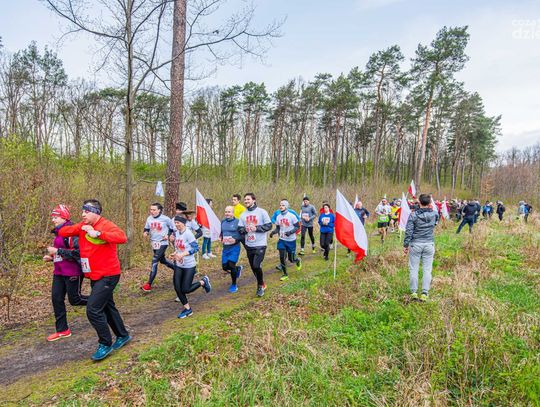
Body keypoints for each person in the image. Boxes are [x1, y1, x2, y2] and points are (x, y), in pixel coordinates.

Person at [58, 199, 131, 361]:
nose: (83, 214)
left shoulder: (105, 225)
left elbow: (122, 237)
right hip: (94, 275)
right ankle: (123, 335)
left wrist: (97, 233)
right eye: (82, 211)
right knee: (107, 307)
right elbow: (64, 232)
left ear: (96, 213)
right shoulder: (83, 226)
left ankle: (105, 343)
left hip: (108, 275)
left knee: (93, 309)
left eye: (86, 212)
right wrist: (67, 225)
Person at [43, 204, 88, 342]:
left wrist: (57, 251)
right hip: (59, 272)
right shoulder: (58, 232)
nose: (53, 220)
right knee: (56, 299)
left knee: (75, 300)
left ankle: (101, 301)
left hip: (72, 271)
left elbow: (78, 253)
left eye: (56, 217)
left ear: (64, 217)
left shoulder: (72, 232)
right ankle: (62, 330)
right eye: (52, 217)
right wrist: (52, 258)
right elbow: (62, 253)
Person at [169, 216, 211, 318]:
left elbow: (196, 248)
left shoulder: (188, 233)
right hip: (179, 264)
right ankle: (188, 309)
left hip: (189, 265)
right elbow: (179, 248)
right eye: (175, 223)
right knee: (177, 288)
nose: (176, 224)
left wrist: (183, 254)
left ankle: (203, 282)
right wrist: (175, 254)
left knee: (186, 289)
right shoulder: (177, 233)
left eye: (178, 222)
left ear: (183, 223)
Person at [403, 194, 439, 302]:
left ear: (419, 202)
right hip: (429, 244)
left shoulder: (413, 215)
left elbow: (409, 231)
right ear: (430, 203)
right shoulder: (435, 214)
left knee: (414, 269)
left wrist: (405, 245)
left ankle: (414, 293)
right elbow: (435, 224)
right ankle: (424, 293)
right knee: (427, 270)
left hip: (416, 244)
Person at [238, 193, 272, 297]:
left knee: (257, 265)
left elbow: (269, 225)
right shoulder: (243, 214)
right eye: (245, 200)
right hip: (249, 244)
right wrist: (245, 229)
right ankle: (262, 283)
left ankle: (260, 286)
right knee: (253, 267)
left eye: (248, 199)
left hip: (260, 244)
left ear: (254, 200)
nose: (246, 201)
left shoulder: (262, 212)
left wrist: (256, 228)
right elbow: (239, 229)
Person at [141, 203, 176, 292]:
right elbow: (146, 228)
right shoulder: (149, 218)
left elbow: (172, 228)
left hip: (163, 242)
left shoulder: (166, 219)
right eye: (151, 210)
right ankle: (178, 269)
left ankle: (148, 284)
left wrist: (168, 235)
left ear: (159, 210)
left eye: (154, 210)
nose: (152, 211)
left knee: (155, 260)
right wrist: (145, 232)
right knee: (162, 260)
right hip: (154, 242)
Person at [270, 200, 302, 281]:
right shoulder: (278, 217)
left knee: (291, 259)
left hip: (291, 240)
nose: (281, 206)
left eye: (283, 205)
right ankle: (285, 274)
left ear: (286, 206)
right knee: (282, 257)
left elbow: (297, 226)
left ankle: (297, 260)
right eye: (280, 205)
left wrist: (290, 232)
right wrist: (273, 232)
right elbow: (278, 228)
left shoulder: (291, 216)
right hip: (282, 240)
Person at [220, 206, 243, 293]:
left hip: (234, 247)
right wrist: (221, 238)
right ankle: (238, 269)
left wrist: (235, 240)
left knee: (231, 264)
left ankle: (234, 285)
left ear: (233, 213)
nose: (227, 213)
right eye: (226, 212)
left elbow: (242, 235)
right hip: (225, 248)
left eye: (229, 212)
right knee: (225, 267)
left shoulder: (238, 222)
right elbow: (221, 233)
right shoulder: (223, 221)